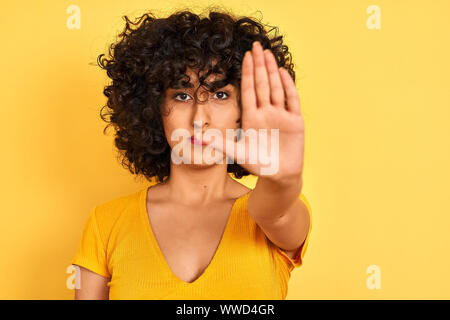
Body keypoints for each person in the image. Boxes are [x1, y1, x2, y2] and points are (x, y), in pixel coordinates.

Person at [71, 8, 312, 300]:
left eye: (220, 95)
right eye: (182, 95)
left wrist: (282, 179)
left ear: (243, 110)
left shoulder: (271, 210)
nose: (200, 120)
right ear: (153, 108)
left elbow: (275, 211)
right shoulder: (106, 223)